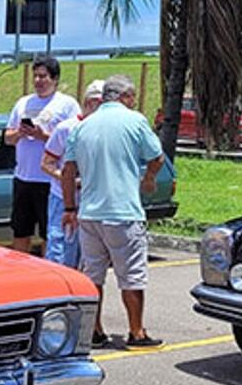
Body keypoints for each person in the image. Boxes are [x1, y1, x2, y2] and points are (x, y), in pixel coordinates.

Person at [62, 75, 166, 349]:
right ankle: (136, 332)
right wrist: (148, 178)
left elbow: (68, 170)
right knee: (131, 274)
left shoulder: (83, 127)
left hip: (90, 213)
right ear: (126, 97)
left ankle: (95, 331)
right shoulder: (135, 120)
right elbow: (157, 157)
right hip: (123, 212)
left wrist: (70, 207)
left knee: (93, 274)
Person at [4, 56, 80, 253]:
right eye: (35, 76)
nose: (38, 81)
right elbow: (7, 138)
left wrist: (43, 136)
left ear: (54, 79)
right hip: (23, 177)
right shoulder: (23, 103)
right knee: (21, 231)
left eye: (43, 76)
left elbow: (73, 142)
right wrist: (20, 133)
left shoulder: (67, 105)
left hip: (49, 181)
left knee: (49, 233)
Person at [40, 79, 105, 267]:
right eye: (100, 103)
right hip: (62, 198)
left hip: (91, 200)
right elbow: (46, 163)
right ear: (89, 102)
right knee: (59, 249)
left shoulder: (103, 130)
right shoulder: (66, 128)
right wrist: (68, 179)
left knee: (86, 252)